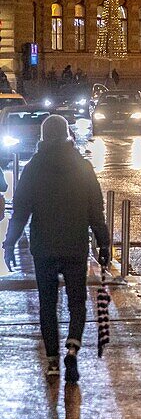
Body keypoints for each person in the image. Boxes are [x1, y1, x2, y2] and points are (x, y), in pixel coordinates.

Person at [3, 115, 108, 383]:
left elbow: (21, 211)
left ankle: (51, 361)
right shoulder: (83, 167)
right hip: (74, 246)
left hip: (44, 247)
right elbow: (96, 210)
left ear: (43, 136)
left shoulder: (33, 168)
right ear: (67, 134)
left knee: (47, 305)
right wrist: (103, 242)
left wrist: (10, 243)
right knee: (77, 302)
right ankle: (72, 349)